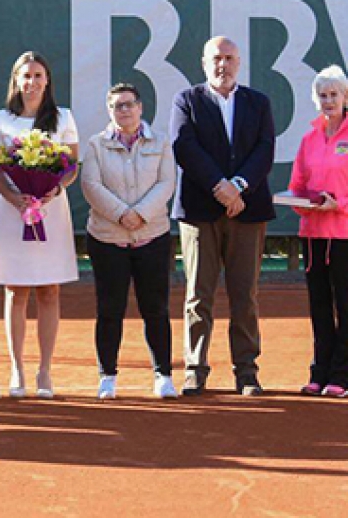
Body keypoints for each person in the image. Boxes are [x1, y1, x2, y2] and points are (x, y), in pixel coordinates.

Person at [171, 36, 275, 397]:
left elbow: (265, 149)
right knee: (198, 294)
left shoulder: (258, 102)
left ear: (239, 63)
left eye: (230, 58)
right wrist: (220, 186)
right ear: (204, 62)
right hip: (200, 212)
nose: (223, 64)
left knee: (244, 294)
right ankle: (195, 370)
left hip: (248, 212)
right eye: (217, 58)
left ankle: (246, 372)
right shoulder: (187, 100)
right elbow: (184, 145)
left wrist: (239, 186)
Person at [0, 51, 79, 399]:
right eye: (26, 76)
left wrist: (52, 191)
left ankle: (44, 371)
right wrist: (16, 200)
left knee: (49, 290)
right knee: (15, 289)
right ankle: (17, 369)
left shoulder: (64, 117)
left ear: (47, 80)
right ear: (16, 81)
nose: (32, 82)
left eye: (38, 75)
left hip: (51, 210)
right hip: (12, 211)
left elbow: (70, 165)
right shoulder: (0, 119)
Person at [81, 83, 177, 400]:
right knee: (110, 309)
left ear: (140, 108)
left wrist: (141, 214)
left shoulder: (161, 143)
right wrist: (122, 214)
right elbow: (91, 185)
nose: (124, 110)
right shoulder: (95, 145)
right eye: (117, 106)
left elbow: (167, 183)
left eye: (129, 104)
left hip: (153, 237)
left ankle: (163, 375)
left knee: (156, 309)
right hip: (107, 240)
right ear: (110, 111)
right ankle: (107, 376)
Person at [288, 65, 348, 398]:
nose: (328, 101)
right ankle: (319, 371)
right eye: (322, 95)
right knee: (319, 306)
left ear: (345, 97)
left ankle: (342, 374)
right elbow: (297, 185)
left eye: (334, 95)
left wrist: (337, 204)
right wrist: (303, 204)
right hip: (313, 235)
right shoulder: (309, 139)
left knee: (345, 306)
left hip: (344, 235)